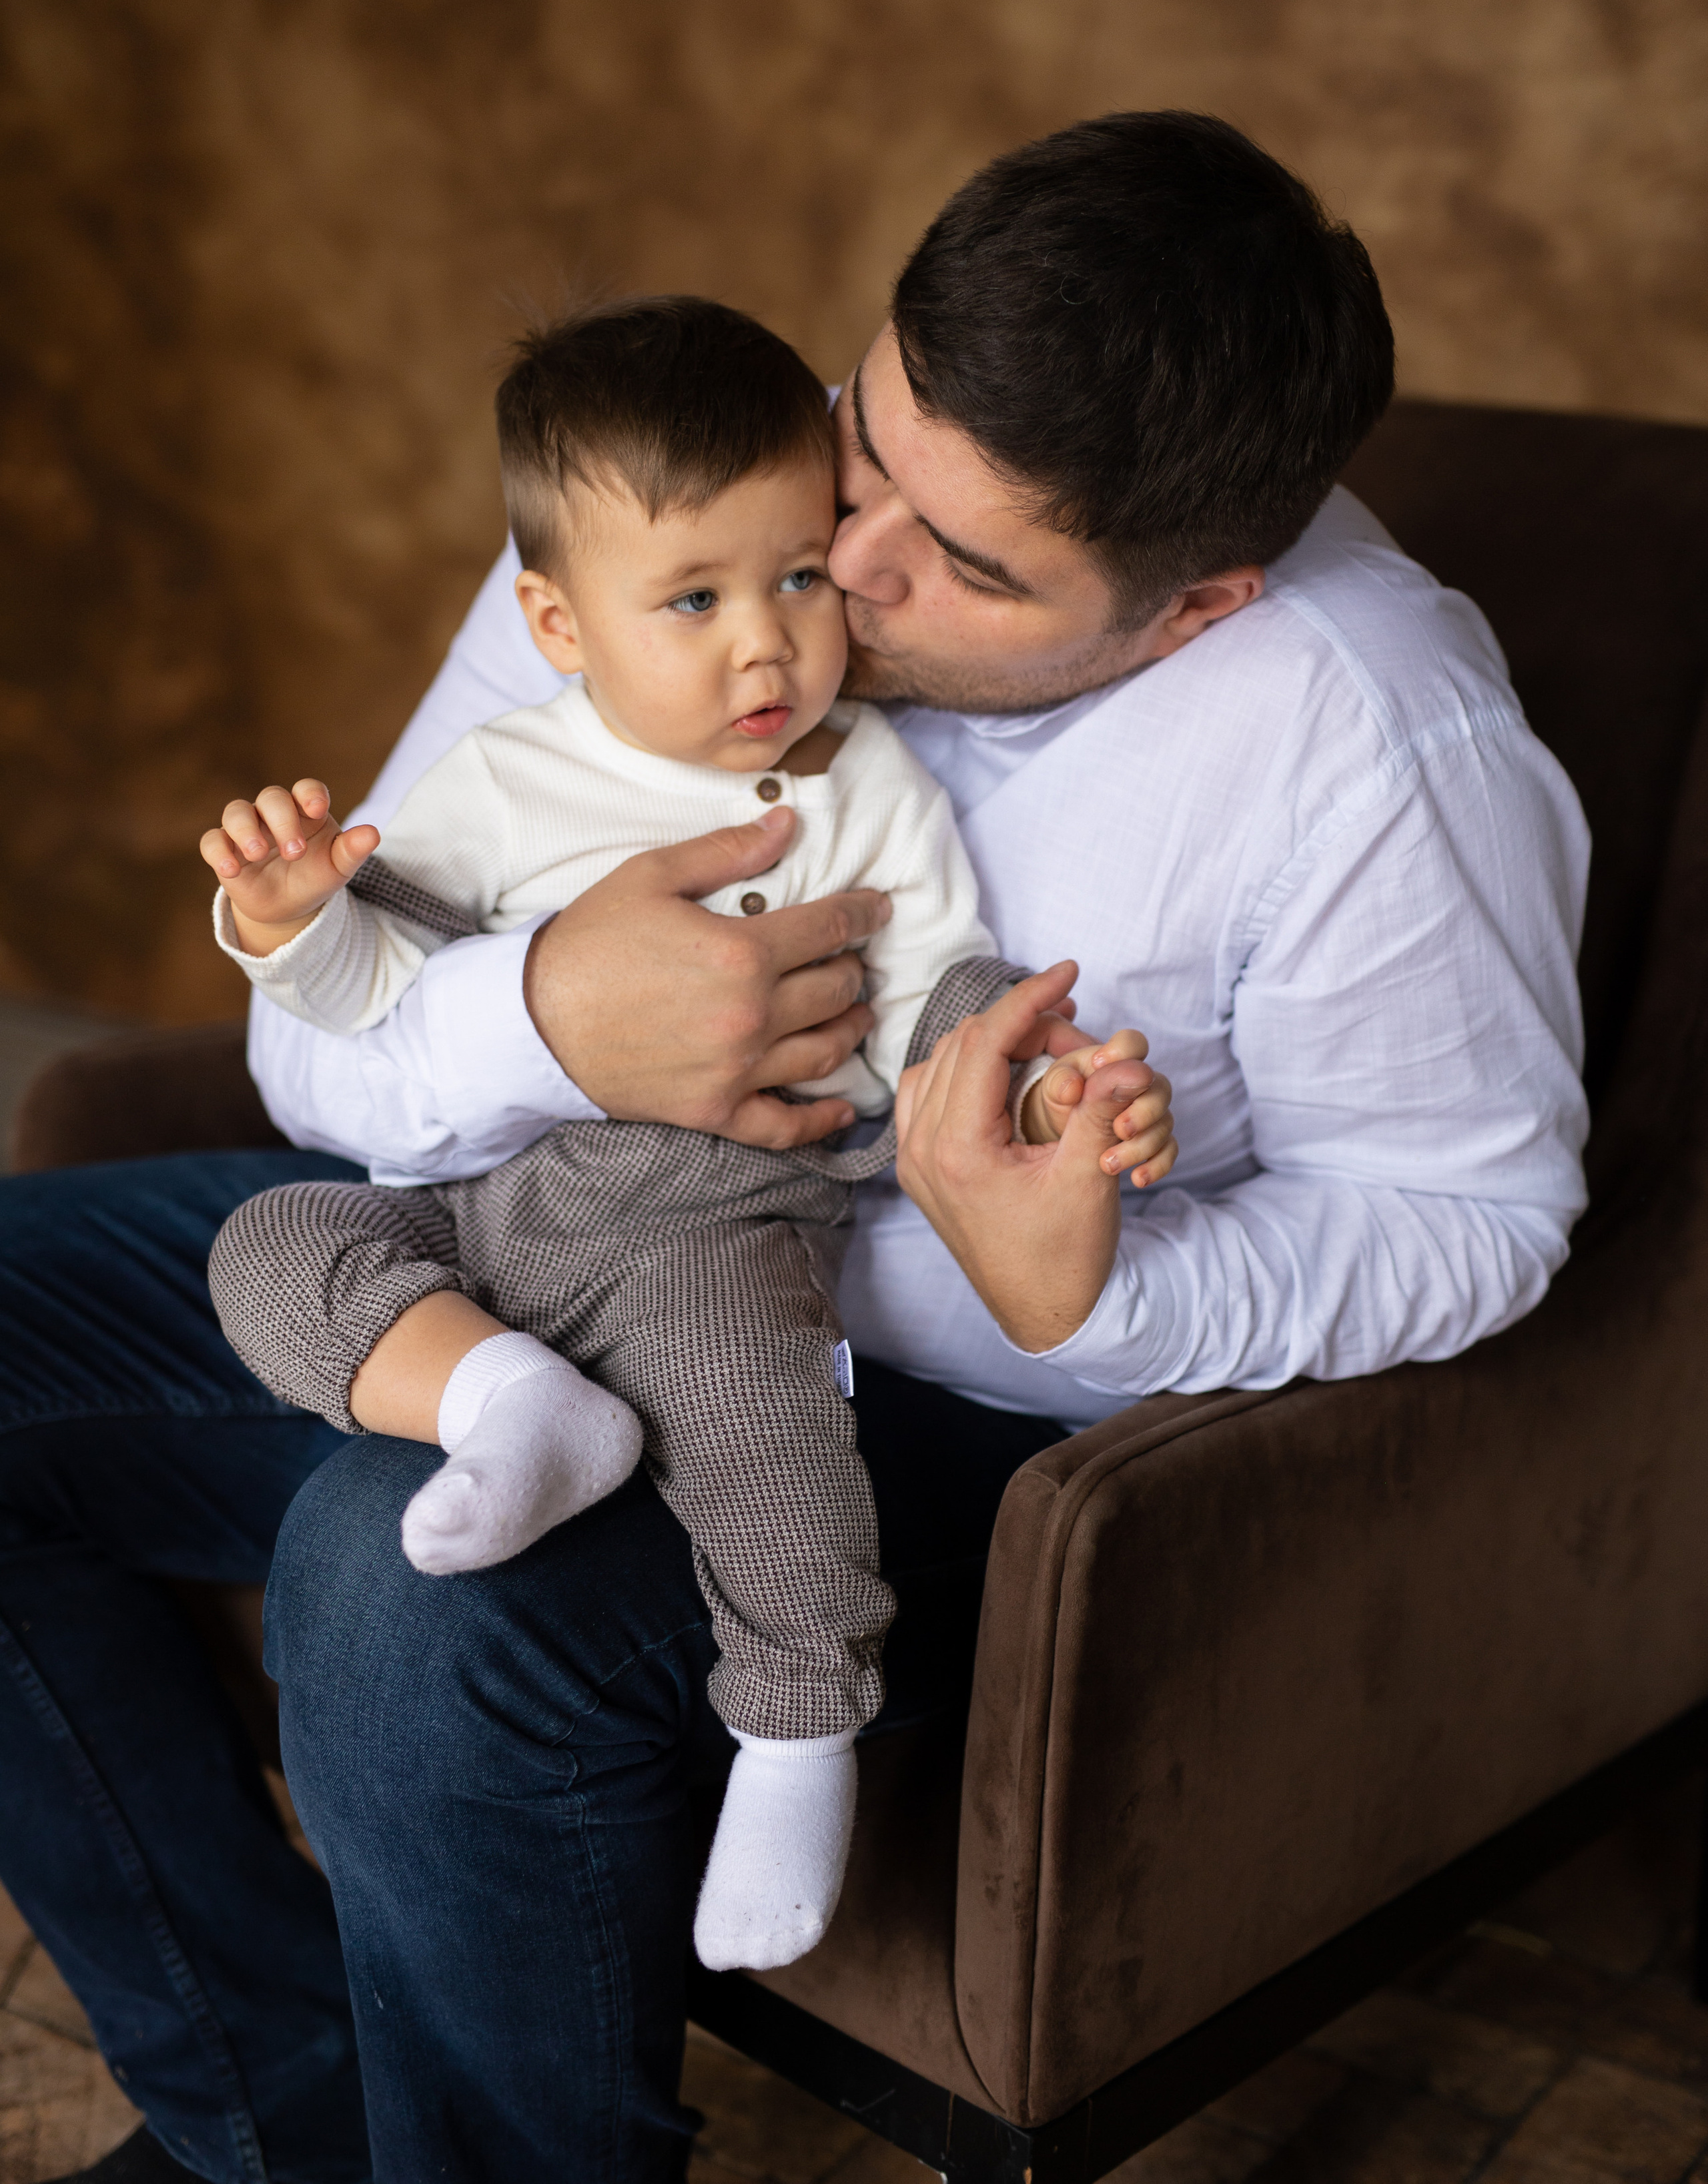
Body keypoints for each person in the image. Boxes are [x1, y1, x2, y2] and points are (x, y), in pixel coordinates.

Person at [0, 111, 1589, 2184]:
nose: (844, 567)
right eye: (878, 439)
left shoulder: (1380, 745)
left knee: (401, 1600)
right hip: (484, 1256)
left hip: (910, 1411)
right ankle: (289, 2129)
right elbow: (320, 1062)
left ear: (1194, 607)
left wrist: (1108, 1286)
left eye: (972, 565)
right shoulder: (704, 486)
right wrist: (543, 1009)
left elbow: (1481, 1221)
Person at [198, 294, 1174, 1977]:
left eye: (801, 575)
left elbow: (941, 1004)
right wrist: (289, 923)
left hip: (716, 1226)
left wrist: (1039, 1096)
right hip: (482, 1215)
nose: (766, 646)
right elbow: (367, 992)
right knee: (269, 1246)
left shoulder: (861, 784)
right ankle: (512, 1406)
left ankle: (797, 1739)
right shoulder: (504, 780)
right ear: (557, 625)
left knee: (759, 1418)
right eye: (695, 599)